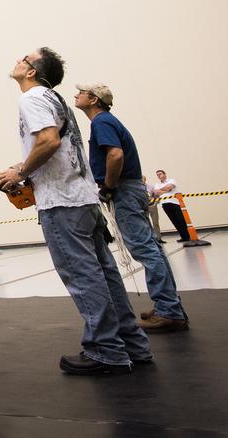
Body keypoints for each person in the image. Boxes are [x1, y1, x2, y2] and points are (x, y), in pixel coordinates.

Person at [0, 47, 151, 376]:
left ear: (32, 71)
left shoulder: (32, 99)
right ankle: (133, 344)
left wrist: (20, 172)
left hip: (62, 202)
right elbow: (57, 145)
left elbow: (48, 141)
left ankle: (106, 351)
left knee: (83, 277)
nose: (18, 60)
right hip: (84, 198)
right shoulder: (56, 99)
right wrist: (24, 167)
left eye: (24, 57)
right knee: (106, 274)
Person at [75, 84, 188, 333]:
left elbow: (114, 155)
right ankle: (169, 306)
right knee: (153, 249)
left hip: (124, 190)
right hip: (134, 188)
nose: (76, 96)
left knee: (145, 251)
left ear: (93, 99)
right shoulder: (109, 120)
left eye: (81, 93)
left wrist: (108, 187)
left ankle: (168, 310)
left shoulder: (101, 123)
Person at [150, 170, 192, 242]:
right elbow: (156, 192)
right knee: (174, 221)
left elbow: (170, 186)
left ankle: (188, 236)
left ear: (164, 174)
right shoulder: (157, 184)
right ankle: (183, 237)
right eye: (157, 175)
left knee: (181, 220)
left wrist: (163, 190)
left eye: (160, 174)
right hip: (165, 204)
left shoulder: (171, 180)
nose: (158, 176)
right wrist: (166, 190)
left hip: (175, 203)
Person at [143, 175, 165, 243]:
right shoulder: (137, 188)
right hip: (143, 207)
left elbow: (156, 196)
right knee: (145, 223)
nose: (141, 180)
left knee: (155, 222)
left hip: (152, 206)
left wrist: (155, 203)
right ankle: (149, 239)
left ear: (145, 179)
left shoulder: (151, 187)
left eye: (142, 179)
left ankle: (158, 238)